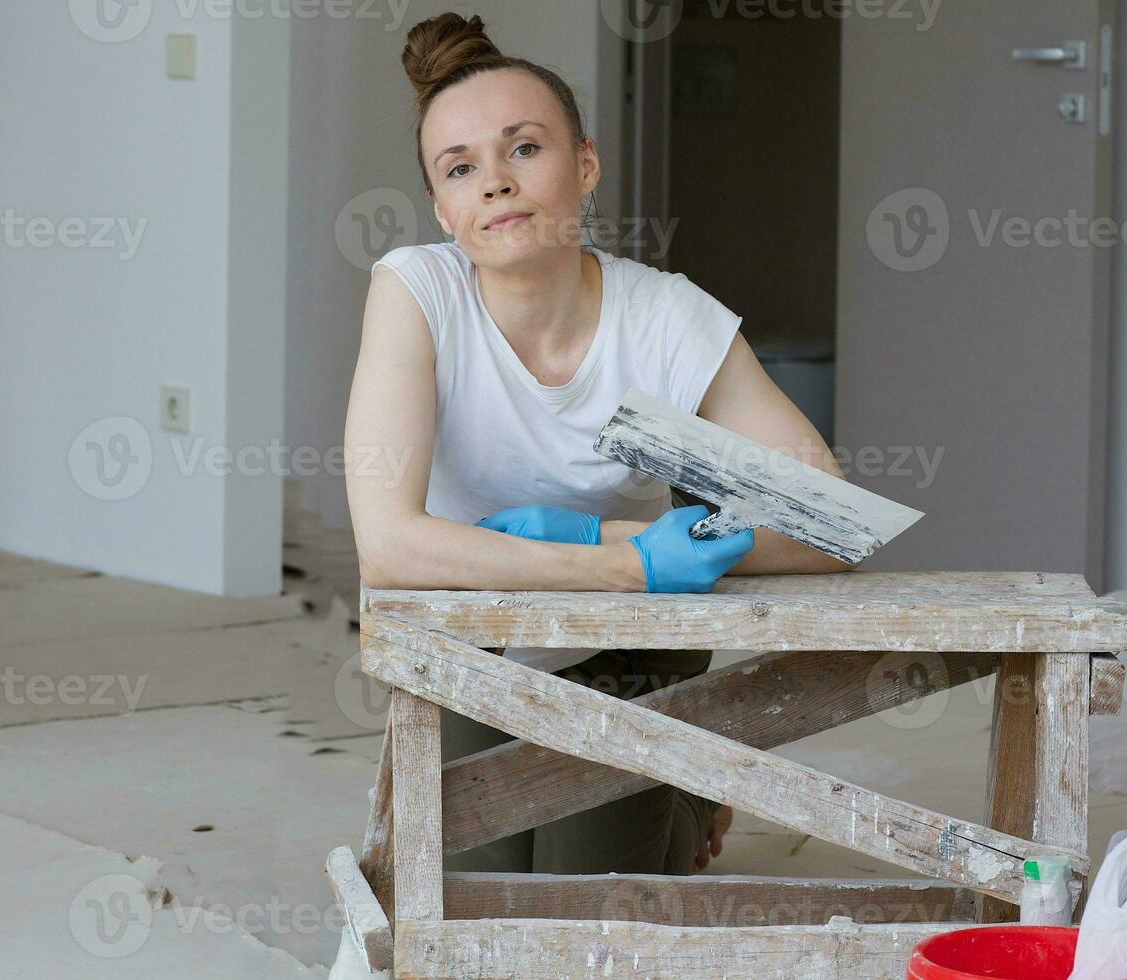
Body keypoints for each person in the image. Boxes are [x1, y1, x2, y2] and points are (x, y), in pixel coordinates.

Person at [343, 7, 852, 905]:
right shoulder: (418, 292)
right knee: (476, 908)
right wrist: (613, 554)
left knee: (590, 897)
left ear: (584, 164)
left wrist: (622, 552)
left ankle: (689, 793)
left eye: (523, 149)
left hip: (623, 641)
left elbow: (829, 523)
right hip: (480, 639)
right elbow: (388, 546)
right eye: (460, 169)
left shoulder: (661, 317)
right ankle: (685, 783)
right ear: (443, 210)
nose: (494, 183)